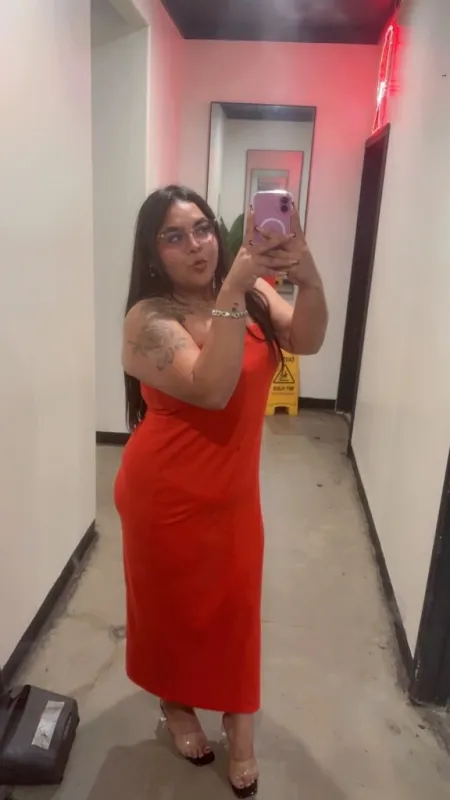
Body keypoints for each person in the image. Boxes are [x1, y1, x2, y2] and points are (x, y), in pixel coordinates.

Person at [114, 185, 328, 798]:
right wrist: (232, 291)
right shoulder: (150, 319)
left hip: (232, 492)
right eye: (174, 236)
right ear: (153, 253)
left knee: (234, 611)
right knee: (171, 609)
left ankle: (240, 725)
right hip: (165, 494)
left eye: (203, 228)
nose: (196, 245)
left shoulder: (255, 294)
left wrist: (307, 275)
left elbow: (307, 339)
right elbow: (212, 388)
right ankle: (176, 703)